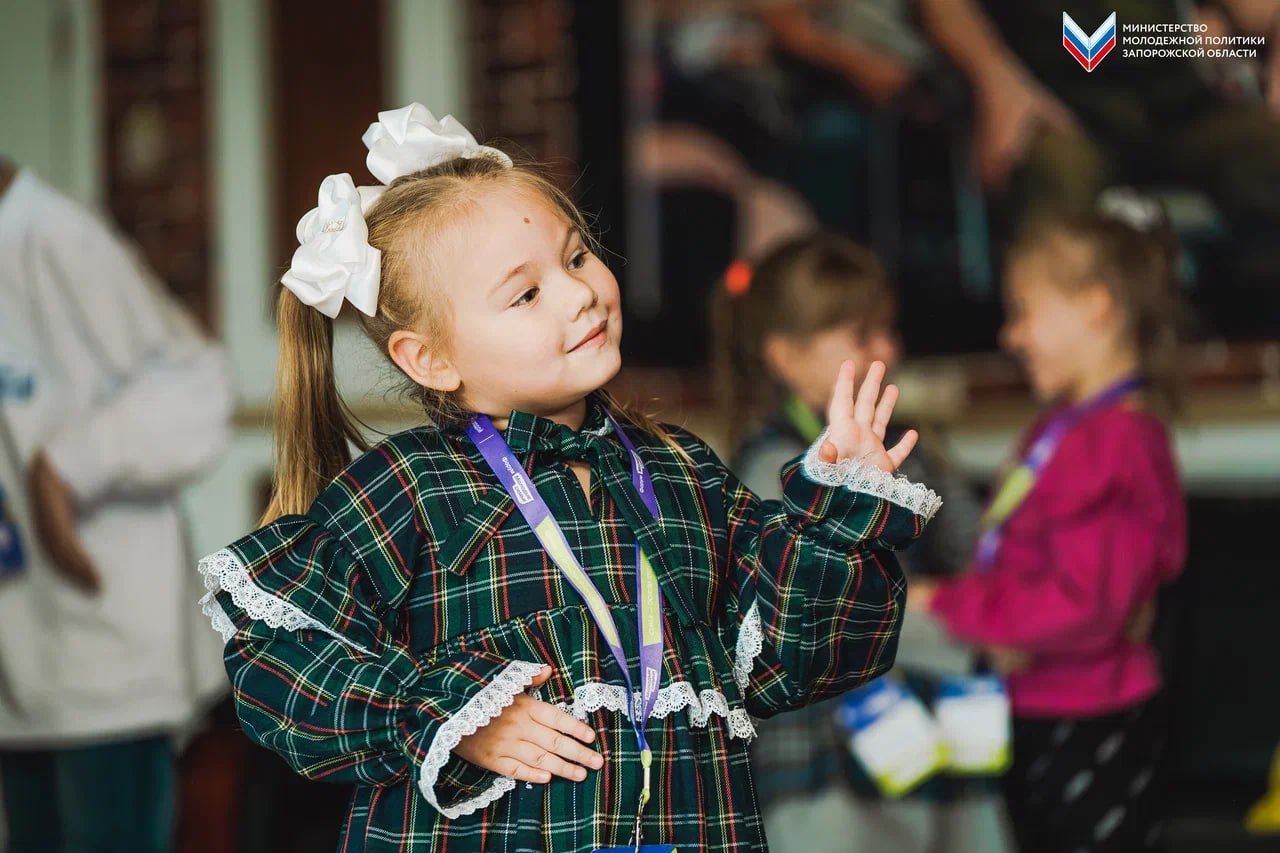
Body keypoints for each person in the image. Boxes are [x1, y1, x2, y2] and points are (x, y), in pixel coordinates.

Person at [194, 103, 941, 852]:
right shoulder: (412, 489)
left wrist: (839, 511)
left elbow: (790, 660)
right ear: (432, 359)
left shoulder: (681, 469)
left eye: (578, 257)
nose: (581, 292)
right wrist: (447, 715)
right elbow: (280, 661)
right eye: (526, 293)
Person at [713, 232, 1012, 853]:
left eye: (888, 329)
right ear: (785, 357)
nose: (887, 350)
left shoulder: (914, 449)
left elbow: (975, 551)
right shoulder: (769, 469)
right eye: (860, 336)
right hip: (827, 752)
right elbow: (798, 619)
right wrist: (941, 609)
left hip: (940, 723)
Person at [909, 190, 1188, 852]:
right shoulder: (1066, 427)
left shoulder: (1116, 441)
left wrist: (948, 605)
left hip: (1089, 715)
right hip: (1038, 704)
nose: (1011, 335)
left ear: (1095, 308)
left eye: (1025, 312)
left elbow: (1083, 607)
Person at [0, 160, 234, 852]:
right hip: (19, 659)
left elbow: (197, 386)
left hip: (102, 663)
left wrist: (65, 467)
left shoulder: (55, 239)